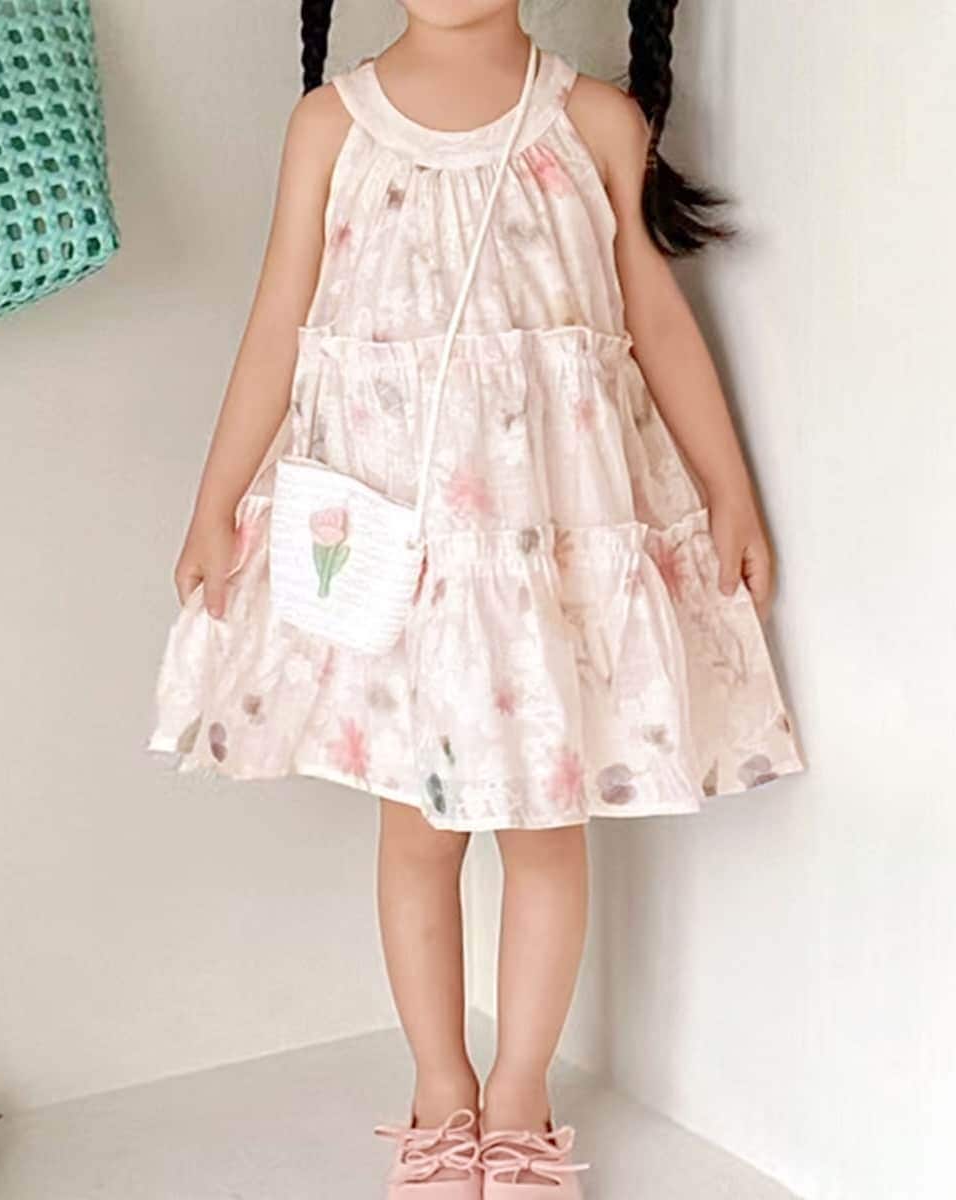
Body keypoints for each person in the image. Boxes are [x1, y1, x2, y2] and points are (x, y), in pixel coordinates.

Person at [147, 2, 804, 1194]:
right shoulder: (331, 126)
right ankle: (440, 1094)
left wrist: (730, 491)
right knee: (417, 833)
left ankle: (519, 1104)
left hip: (542, 555)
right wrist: (215, 498)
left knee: (546, 829)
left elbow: (655, 321)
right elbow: (279, 323)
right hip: (401, 557)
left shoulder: (593, 121)